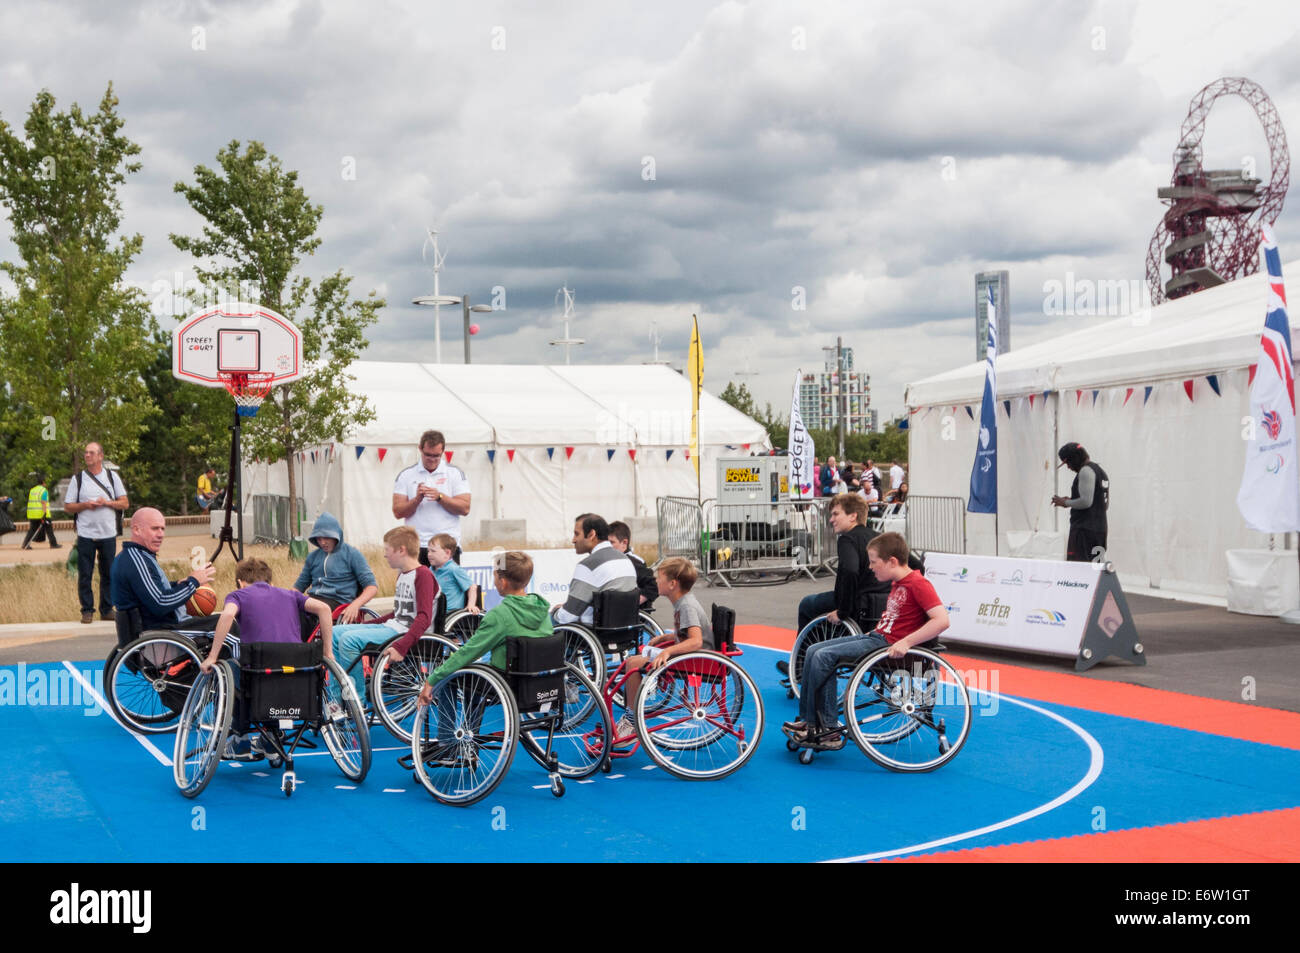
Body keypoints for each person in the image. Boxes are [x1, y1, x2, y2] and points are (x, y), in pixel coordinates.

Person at [785, 531, 948, 749]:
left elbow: (942, 620)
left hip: (887, 646)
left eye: (873, 562)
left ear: (892, 561)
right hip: (877, 638)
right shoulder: (898, 583)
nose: (870, 567)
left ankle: (828, 730)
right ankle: (809, 721)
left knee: (824, 656)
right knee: (813, 650)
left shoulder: (918, 584)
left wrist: (907, 642)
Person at [417, 551, 553, 754]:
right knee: (474, 676)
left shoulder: (500, 615)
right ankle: (469, 734)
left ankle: (446, 743)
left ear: (503, 582)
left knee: (452, 677)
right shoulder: (542, 611)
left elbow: (469, 652)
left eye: (495, 576)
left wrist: (432, 680)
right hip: (540, 685)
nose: (494, 580)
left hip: (507, 684)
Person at [199, 557, 335, 760]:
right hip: (296, 676)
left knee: (227, 670)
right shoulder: (291, 595)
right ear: (271, 582)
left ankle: (240, 738)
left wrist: (212, 656)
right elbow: (325, 609)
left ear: (240, 582)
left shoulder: (238, 595)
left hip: (257, 675)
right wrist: (328, 652)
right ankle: (271, 738)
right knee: (270, 676)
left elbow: (227, 616)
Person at [333, 526, 437, 707]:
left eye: (387, 550)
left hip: (407, 635)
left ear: (401, 550)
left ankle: (356, 702)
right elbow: (397, 614)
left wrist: (401, 647)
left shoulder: (423, 575)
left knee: (349, 640)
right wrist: (367, 625)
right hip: (394, 628)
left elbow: (424, 617)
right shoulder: (403, 575)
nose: (385, 555)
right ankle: (336, 699)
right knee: (335, 632)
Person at [611, 556, 713, 742]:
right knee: (634, 660)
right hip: (691, 657)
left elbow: (696, 641)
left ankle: (631, 722)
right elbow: (686, 633)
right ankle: (630, 716)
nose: (656, 581)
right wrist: (666, 637)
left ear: (672, 583)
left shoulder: (687, 606)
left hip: (695, 660)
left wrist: (667, 651)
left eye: (660, 577)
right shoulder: (684, 601)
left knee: (633, 666)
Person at [110, 507, 223, 635]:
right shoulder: (136, 560)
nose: (160, 534)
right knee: (228, 625)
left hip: (163, 626)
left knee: (224, 621)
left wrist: (178, 584)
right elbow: (161, 603)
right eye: (154, 528)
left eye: (162, 529)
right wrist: (193, 583)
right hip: (163, 630)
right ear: (136, 530)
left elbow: (151, 591)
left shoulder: (138, 556)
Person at [796, 493, 889, 636]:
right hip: (882, 602)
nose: (831, 519)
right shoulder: (881, 538)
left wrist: (842, 612)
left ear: (853, 516)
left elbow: (850, 570)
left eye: (835, 514)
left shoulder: (847, 539)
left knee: (806, 604)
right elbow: (915, 566)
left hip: (857, 603)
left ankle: (802, 656)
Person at [64, 443, 128, 624]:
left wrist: (107, 503)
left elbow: (124, 503)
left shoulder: (111, 477)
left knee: (108, 573)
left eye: (91, 453)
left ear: (100, 456)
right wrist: (85, 505)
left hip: (108, 534)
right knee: (85, 573)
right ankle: (87, 610)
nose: (87, 455)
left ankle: (107, 609)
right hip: (85, 534)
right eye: (85, 453)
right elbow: (68, 506)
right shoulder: (78, 479)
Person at [292, 511, 378, 638]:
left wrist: (355, 605)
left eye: (326, 537)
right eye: (319, 538)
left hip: (337, 602)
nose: (322, 542)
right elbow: (298, 587)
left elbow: (371, 587)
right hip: (314, 599)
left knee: (302, 617)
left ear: (336, 535)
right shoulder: (313, 557)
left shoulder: (352, 554)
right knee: (288, 612)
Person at [391, 429, 471, 566]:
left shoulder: (455, 473)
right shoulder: (406, 475)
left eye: (436, 456)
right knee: (418, 587)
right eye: (428, 454)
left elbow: (465, 508)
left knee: (447, 588)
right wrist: (416, 500)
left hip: (447, 546)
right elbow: (398, 512)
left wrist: (440, 497)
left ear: (443, 452)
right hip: (416, 546)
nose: (432, 459)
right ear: (420, 449)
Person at [553, 513, 637, 625]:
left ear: (592, 534)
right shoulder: (626, 560)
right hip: (624, 630)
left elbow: (566, 618)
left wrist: (555, 612)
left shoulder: (588, 566)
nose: (573, 540)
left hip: (592, 632)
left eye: (576, 534)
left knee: (551, 619)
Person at [1052, 442, 1109, 563]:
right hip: (1100, 530)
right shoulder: (1101, 472)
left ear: (1074, 458)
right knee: (1096, 569)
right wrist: (1071, 500)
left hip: (1084, 531)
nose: (1068, 467)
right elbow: (1103, 504)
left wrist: (1065, 502)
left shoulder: (1085, 471)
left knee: (1078, 571)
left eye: (1067, 463)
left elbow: (1086, 501)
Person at [608, 520, 658, 612]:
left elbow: (653, 587)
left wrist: (633, 602)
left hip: (632, 613)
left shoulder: (634, 562)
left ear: (624, 543)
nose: (607, 546)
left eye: (612, 542)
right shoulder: (607, 561)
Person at [427, 532, 481, 615]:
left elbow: (472, 587)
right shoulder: (430, 570)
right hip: (435, 612)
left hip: (450, 613)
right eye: (428, 551)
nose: (429, 554)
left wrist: (471, 605)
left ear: (447, 553)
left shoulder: (454, 569)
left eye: (433, 551)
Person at [20, 472, 61, 551]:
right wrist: (45, 514)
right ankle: (53, 544)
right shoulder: (44, 490)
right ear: (43, 483)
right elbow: (43, 503)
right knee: (49, 529)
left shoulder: (32, 490)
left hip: (32, 514)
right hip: (41, 514)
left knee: (32, 530)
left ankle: (25, 544)